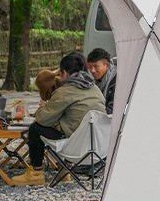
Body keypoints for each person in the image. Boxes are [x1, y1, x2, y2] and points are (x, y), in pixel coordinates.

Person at [11, 52, 105, 187]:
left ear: (65, 73)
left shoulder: (65, 91)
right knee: (69, 124)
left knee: (35, 128)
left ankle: (36, 174)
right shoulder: (95, 89)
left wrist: (45, 107)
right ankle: (64, 171)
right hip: (97, 147)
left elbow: (42, 119)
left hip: (75, 147)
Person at [86, 47, 117, 115]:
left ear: (107, 65)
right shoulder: (94, 83)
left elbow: (112, 111)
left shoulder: (116, 82)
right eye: (90, 67)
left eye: (96, 66)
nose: (92, 70)